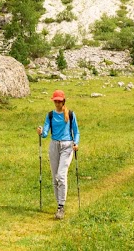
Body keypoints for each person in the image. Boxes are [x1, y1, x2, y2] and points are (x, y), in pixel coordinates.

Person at [36, 90, 79, 220]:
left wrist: (76, 143)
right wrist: (41, 132)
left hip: (67, 146)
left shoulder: (70, 114)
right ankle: (58, 204)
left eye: (59, 100)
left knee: (61, 175)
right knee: (55, 177)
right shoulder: (50, 115)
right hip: (54, 145)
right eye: (55, 100)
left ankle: (61, 206)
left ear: (63, 101)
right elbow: (45, 133)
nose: (57, 103)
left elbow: (76, 132)